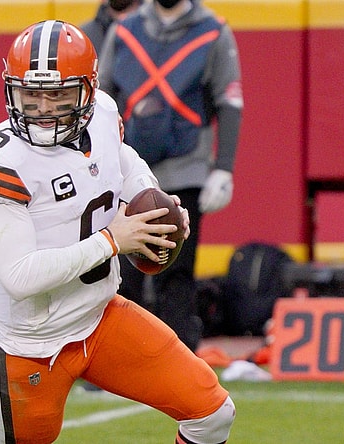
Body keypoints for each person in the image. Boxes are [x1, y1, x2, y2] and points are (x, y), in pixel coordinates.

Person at [0, 20, 235, 443]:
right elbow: (19, 278)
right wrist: (113, 240)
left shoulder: (102, 114)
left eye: (58, 95)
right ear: (11, 90)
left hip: (100, 318)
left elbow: (121, 160)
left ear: (88, 90)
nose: (44, 109)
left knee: (212, 414)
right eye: (31, 95)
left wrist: (150, 199)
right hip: (29, 345)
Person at [98, 0, 243, 350]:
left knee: (177, 272)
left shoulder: (213, 31)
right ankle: (116, 357)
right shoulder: (125, 31)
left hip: (186, 166)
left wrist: (223, 168)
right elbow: (101, 101)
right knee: (119, 273)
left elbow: (229, 100)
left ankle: (178, 363)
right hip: (128, 168)